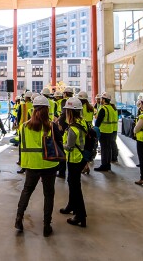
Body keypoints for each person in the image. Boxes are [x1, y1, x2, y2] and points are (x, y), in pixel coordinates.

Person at [15, 95, 58, 237]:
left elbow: (21, 145)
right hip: (49, 164)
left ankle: (19, 219)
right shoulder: (52, 126)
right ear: (47, 110)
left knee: (27, 190)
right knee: (49, 194)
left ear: (33, 110)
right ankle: (47, 225)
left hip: (31, 164)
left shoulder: (23, 127)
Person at [59, 97, 87, 227]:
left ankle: (80, 215)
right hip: (80, 159)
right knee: (72, 184)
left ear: (70, 112)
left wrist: (60, 144)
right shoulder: (83, 122)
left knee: (75, 187)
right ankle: (71, 206)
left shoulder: (72, 129)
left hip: (74, 159)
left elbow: (69, 146)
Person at [94, 92, 118, 172]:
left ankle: (104, 165)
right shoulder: (111, 108)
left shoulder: (103, 108)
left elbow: (98, 121)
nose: (100, 100)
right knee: (108, 148)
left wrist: (95, 129)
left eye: (101, 99)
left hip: (103, 131)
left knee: (104, 149)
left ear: (104, 100)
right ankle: (108, 165)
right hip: (110, 131)